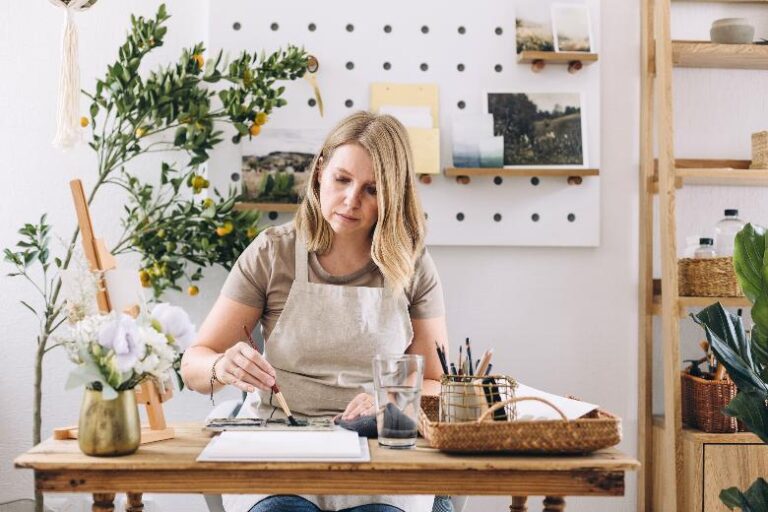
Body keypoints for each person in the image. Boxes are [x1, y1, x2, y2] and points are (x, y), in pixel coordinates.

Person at [181, 111, 449, 512]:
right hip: (281, 443)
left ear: (393, 196)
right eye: (342, 179)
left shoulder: (411, 263)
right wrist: (222, 366)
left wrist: (390, 401)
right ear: (320, 170)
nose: (350, 201)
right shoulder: (273, 253)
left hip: (380, 449)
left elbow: (436, 382)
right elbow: (193, 366)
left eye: (372, 190)